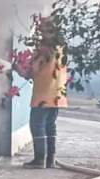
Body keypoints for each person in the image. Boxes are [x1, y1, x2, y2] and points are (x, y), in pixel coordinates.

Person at [22, 17, 68, 169]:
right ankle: (51, 160)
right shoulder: (61, 48)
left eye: (41, 29)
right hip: (57, 95)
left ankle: (39, 160)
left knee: (37, 125)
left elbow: (32, 72)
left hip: (43, 95)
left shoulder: (43, 50)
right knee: (50, 125)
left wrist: (17, 67)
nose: (40, 32)